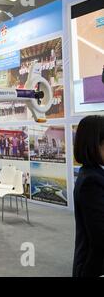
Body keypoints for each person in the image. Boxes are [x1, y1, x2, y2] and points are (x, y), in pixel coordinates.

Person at [72, 115, 104, 277]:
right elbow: (100, 237)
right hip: (94, 268)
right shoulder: (91, 181)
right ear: (95, 145)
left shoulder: (94, 174)